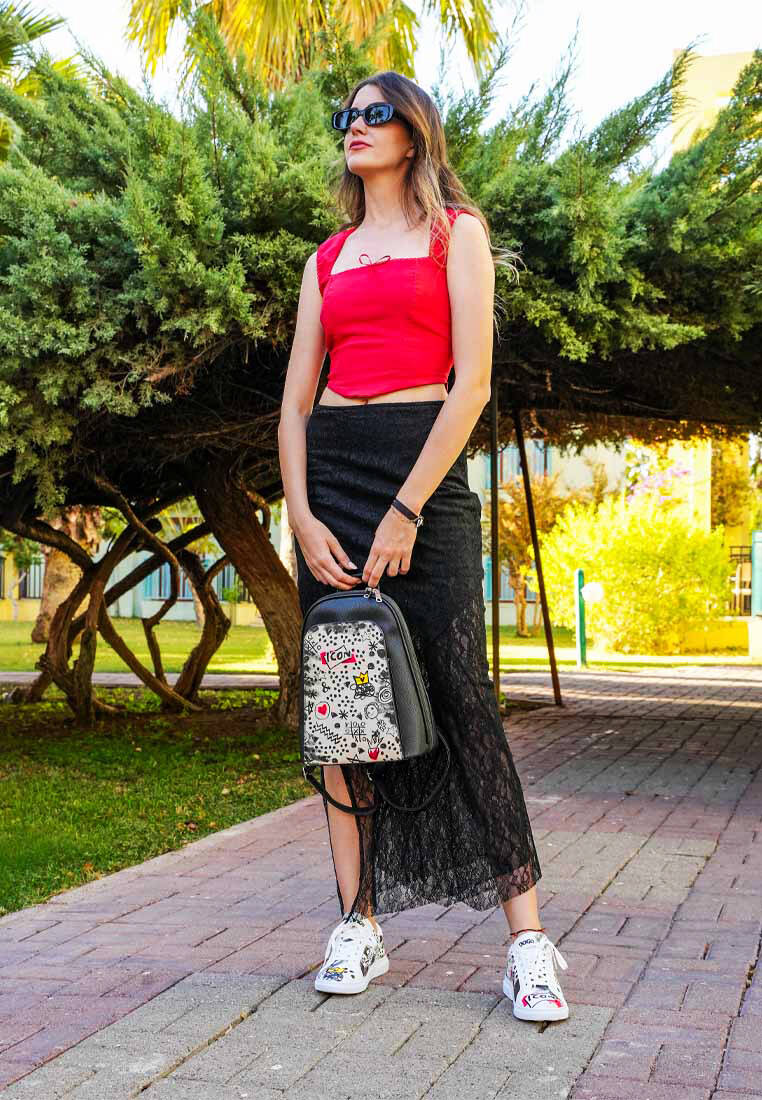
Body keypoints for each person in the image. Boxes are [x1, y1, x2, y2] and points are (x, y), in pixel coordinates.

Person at [278, 70, 569, 1023]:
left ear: (414, 132)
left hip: (424, 479)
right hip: (333, 479)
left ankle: (528, 943)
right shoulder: (327, 258)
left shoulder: (457, 234)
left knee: (464, 699)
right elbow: (294, 404)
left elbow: (471, 383)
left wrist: (406, 507)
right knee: (344, 715)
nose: (355, 127)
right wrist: (301, 516)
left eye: (375, 114)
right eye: (347, 116)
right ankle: (357, 923)